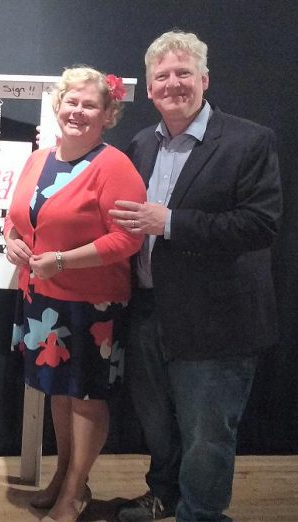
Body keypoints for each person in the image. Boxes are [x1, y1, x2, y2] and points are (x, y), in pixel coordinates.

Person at [110, 31, 282, 522]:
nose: (173, 83)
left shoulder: (250, 140)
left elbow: (261, 224)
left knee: (208, 433)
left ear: (205, 79)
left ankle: (201, 513)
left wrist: (171, 223)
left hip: (218, 322)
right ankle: (164, 495)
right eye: (161, 76)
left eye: (183, 73)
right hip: (148, 313)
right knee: (158, 424)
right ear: (148, 88)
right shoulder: (142, 144)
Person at [5, 66, 146, 522]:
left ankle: (75, 491)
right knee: (59, 394)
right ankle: (67, 475)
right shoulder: (37, 159)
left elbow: (127, 240)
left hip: (92, 304)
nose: (78, 111)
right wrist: (11, 241)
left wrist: (63, 261)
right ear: (58, 105)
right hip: (42, 297)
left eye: (90, 105)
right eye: (72, 102)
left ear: (108, 114)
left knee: (86, 396)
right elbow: (16, 217)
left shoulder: (114, 166)